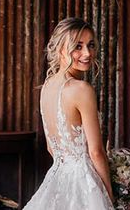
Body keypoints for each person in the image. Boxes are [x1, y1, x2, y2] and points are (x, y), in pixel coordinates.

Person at [23, 17, 115, 209]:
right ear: (61, 49)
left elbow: (51, 148)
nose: (87, 53)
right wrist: (109, 196)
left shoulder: (47, 87)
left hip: (56, 181)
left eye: (91, 45)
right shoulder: (82, 89)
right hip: (85, 184)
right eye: (78, 46)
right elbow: (96, 152)